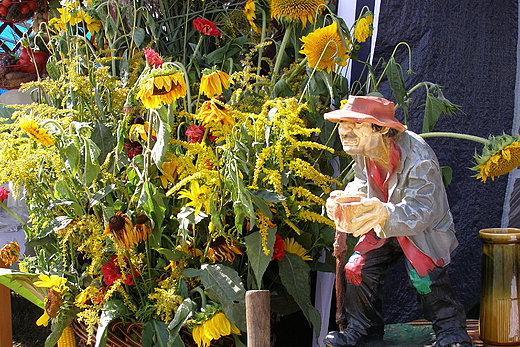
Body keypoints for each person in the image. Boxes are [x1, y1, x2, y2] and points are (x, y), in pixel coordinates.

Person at [323, 96, 472, 347]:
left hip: (421, 231)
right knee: (357, 268)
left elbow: (423, 210)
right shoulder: (364, 149)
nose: (345, 131)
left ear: (380, 128)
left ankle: (451, 331)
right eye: (342, 124)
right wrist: (345, 198)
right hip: (383, 224)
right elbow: (362, 182)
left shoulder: (418, 156)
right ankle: (363, 332)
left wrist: (383, 213)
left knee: (424, 277)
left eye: (355, 124)